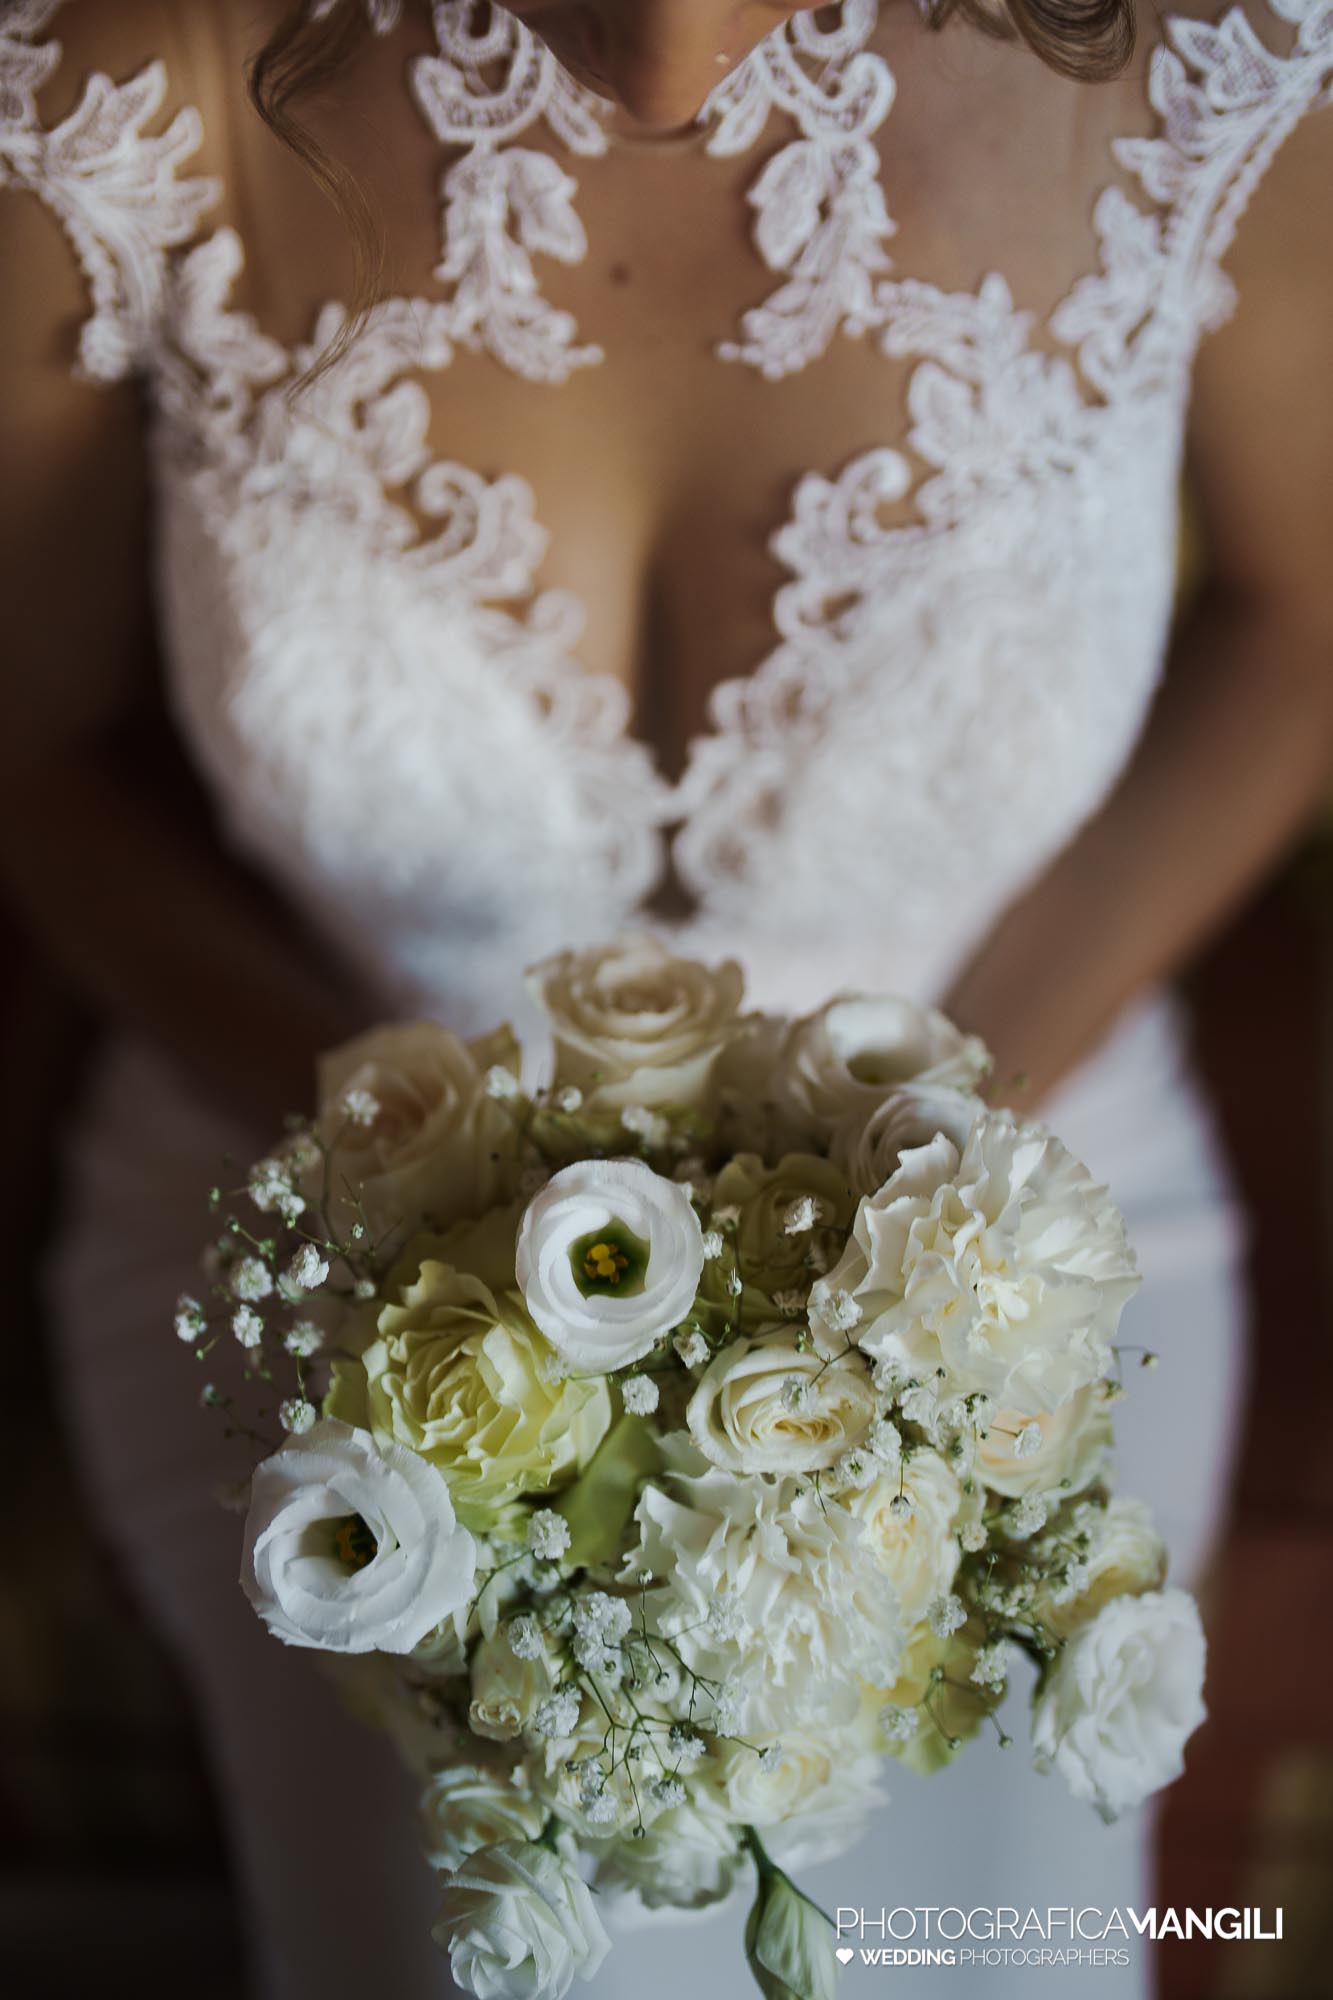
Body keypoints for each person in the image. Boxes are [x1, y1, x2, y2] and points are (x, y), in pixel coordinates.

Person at [2, 1, 1330, 1993]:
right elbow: (39, 747)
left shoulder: (1215, 61)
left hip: (1016, 1182)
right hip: (301, 1195)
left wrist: (927, 1139)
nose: (665, 58)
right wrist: (430, 1190)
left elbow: (1300, 628)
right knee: (479, 1937)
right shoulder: (124, 75)